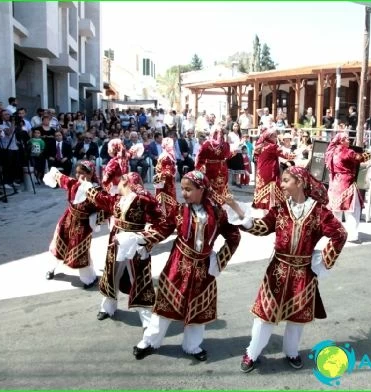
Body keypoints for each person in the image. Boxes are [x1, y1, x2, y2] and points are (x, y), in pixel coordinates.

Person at [224, 167, 345, 372]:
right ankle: (252, 353)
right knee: (265, 316)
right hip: (277, 271)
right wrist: (235, 206)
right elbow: (261, 228)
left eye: (286, 180)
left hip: (303, 272)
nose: (281, 184)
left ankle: (291, 352)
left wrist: (322, 260)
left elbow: (340, 234)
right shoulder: (280, 208)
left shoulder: (319, 212)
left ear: (299, 182)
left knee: (296, 319)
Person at [132, 170, 241, 361]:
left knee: (198, 309)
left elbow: (234, 236)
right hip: (178, 265)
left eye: (188, 189)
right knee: (165, 306)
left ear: (202, 189)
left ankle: (192, 346)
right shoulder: (179, 210)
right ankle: (150, 341)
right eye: (182, 189)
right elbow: (164, 229)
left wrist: (219, 261)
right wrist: (143, 240)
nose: (184, 193)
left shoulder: (217, 213)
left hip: (203, 269)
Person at [85, 172, 164, 324]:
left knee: (139, 278)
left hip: (135, 243)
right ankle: (107, 307)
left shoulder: (144, 200)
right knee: (112, 272)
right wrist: (87, 185)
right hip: (117, 241)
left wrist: (146, 240)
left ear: (125, 182)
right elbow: (100, 199)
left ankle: (147, 318)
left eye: (119, 182)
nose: (117, 185)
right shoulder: (117, 200)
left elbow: (161, 221)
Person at [42, 161, 100, 289]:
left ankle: (89, 279)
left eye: (83, 173)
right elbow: (58, 176)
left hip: (83, 224)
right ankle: (51, 269)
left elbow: (104, 207)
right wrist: (55, 174)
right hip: (67, 219)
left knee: (81, 251)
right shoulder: (73, 183)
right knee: (58, 244)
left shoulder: (96, 190)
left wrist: (95, 221)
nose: (79, 175)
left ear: (90, 174)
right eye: (77, 172)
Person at [325, 133, 371, 242]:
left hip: (334, 183)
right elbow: (360, 158)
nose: (349, 140)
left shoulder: (331, 151)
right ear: (340, 141)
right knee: (352, 210)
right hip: (346, 183)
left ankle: (335, 233)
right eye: (346, 139)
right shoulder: (347, 152)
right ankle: (352, 235)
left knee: (335, 210)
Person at [252, 128, 295, 210]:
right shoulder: (272, 146)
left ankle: (262, 209)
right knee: (272, 190)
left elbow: (256, 158)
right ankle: (271, 210)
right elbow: (286, 155)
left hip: (260, 172)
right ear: (269, 137)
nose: (276, 138)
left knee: (262, 188)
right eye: (275, 136)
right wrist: (295, 154)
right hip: (270, 172)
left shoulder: (259, 146)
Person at [195, 127, 232, 202]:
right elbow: (228, 155)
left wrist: (199, 168)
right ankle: (220, 203)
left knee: (212, 186)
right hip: (222, 168)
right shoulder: (224, 145)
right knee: (221, 186)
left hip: (211, 168)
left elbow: (200, 157)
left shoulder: (207, 144)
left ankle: (211, 203)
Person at [153, 137, 178, 216]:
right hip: (166, 182)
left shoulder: (167, 155)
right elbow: (167, 171)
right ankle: (167, 215)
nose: (172, 147)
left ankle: (167, 214)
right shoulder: (166, 157)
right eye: (171, 145)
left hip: (165, 180)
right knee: (166, 197)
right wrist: (172, 170)